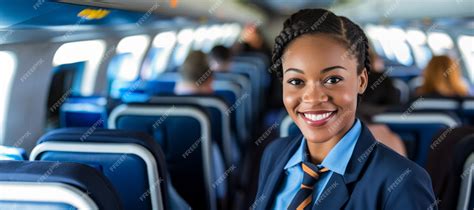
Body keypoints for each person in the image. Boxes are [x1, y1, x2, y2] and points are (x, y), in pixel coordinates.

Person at [254, 8, 436, 210]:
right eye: (296, 81)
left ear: (362, 81)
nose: (313, 98)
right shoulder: (275, 153)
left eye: (333, 79)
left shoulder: (402, 182)